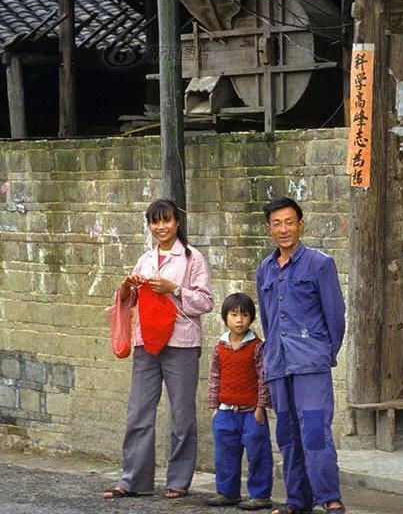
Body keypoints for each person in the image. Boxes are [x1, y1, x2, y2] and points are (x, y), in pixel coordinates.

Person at [102, 199, 214, 500]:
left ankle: (178, 480)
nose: (161, 227)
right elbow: (129, 299)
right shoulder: (146, 259)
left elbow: (206, 302)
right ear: (150, 225)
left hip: (182, 344)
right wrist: (127, 286)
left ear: (177, 222)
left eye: (166, 220)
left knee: (182, 415)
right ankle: (133, 480)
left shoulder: (193, 259)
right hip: (146, 343)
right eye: (155, 222)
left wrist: (174, 288)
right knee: (138, 412)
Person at [256, 197, 347, 514]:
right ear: (269, 228)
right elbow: (267, 319)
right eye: (277, 223)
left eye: (289, 222)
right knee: (287, 435)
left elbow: (336, 317)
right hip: (279, 364)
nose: (284, 229)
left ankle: (330, 497)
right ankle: (297, 499)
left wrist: (322, 353)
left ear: (300, 224)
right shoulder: (264, 270)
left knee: (314, 432)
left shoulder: (320, 264)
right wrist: (272, 355)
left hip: (311, 363)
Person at [206, 292, 273, 511]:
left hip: (252, 412)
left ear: (251, 319)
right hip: (225, 412)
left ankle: (260, 495)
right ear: (225, 317)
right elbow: (215, 377)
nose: (239, 320)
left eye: (244, 315)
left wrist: (261, 408)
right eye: (234, 315)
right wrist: (214, 407)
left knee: (258, 455)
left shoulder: (257, 346)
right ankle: (227, 493)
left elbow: (264, 379)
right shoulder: (220, 346)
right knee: (224, 455)